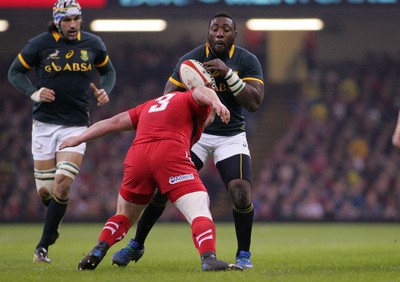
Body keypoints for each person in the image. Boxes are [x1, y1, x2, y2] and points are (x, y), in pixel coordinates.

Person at [112, 11, 264, 269]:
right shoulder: (191, 60)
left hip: (231, 134)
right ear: (208, 32)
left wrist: (228, 74)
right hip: (197, 134)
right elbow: (167, 97)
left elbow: (254, 102)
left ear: (234, 35)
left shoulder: (246, 60)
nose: (219, 33)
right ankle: (136, 245)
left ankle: (243, 255)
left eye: (225, 29)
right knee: (163, 187)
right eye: (214, 28)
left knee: (240, 192)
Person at [59, 85, 242, 272]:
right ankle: (209, 258)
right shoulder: (192, 99)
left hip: (137, 157)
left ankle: (99, 249)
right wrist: (217, 102)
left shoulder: (149, 105)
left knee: (124, 215)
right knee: (199, 207)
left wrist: (80, 138)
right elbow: (200, 91)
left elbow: (111, 123)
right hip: (169, 154)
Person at [7, 0, 116, 263]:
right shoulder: (39, 45)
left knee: (63, 183)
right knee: (46, 192)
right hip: (44, 125)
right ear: (57, 21)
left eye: (76, 19)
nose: (73, 24)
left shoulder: (93, 44)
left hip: (76, 125)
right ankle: (53, 224)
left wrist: (105, 90)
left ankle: (42, 246)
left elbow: (108, 71)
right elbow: (15, 72)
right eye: (67, 20)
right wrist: (33, 92)